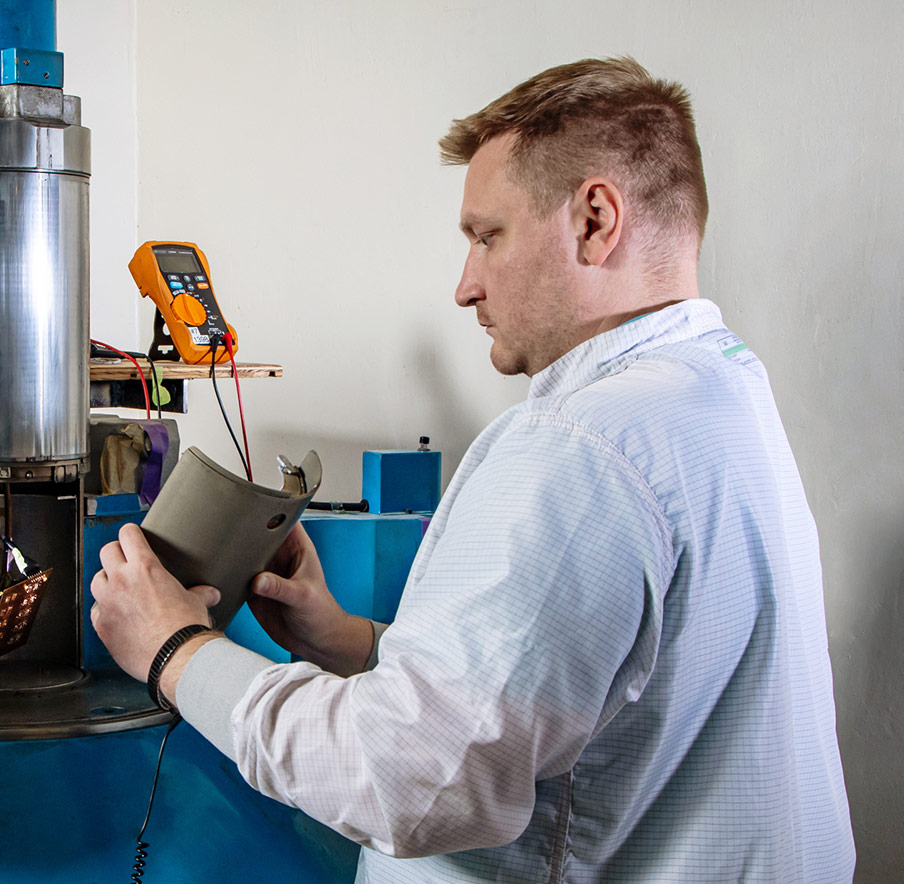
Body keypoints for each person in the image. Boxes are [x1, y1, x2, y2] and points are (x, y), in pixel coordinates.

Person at [90, 57, 856, 882]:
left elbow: (405, 784)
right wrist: (350, 644)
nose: (465, 286)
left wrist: (174, 650)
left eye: (487, 237)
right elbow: (574, 698)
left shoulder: (579, 445)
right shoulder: (721, 387)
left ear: (595, 220)